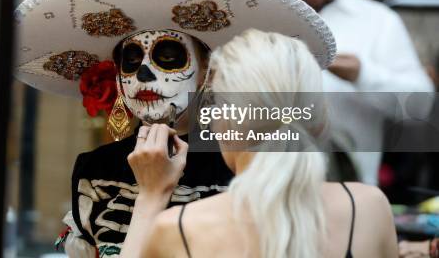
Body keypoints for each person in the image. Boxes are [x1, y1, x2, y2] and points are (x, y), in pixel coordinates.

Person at [13, 0, 335, 257]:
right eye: (132, 61)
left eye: (168, 57)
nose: (143, 75)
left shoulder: (243, 161)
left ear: (205, 69)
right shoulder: (95, 168)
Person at [141, 29, 399, 258]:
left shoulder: (180, 230)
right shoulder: (367, 208)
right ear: (320, 119)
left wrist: (151, 196)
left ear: (224, 122)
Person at [283, 0, 434, 184]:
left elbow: (420, 105)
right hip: (267, 185)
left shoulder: (379, 20)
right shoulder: (254, 13)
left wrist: (362, 75)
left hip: (351, 190)